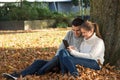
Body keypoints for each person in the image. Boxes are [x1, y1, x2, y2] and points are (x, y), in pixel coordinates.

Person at [2, 17, 84, 80]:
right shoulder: (69, 34)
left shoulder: (85, 38)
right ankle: (18, 76)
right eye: (73, 30)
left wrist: (74, 50)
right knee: (39, 61)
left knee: (60, 55)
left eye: (78, 30)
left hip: (68, 63)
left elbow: (83, 55)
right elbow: (61, 47)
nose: (75, 33)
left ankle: (37, 73)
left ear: (83, 29)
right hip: (58, 60)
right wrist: (56, 58)